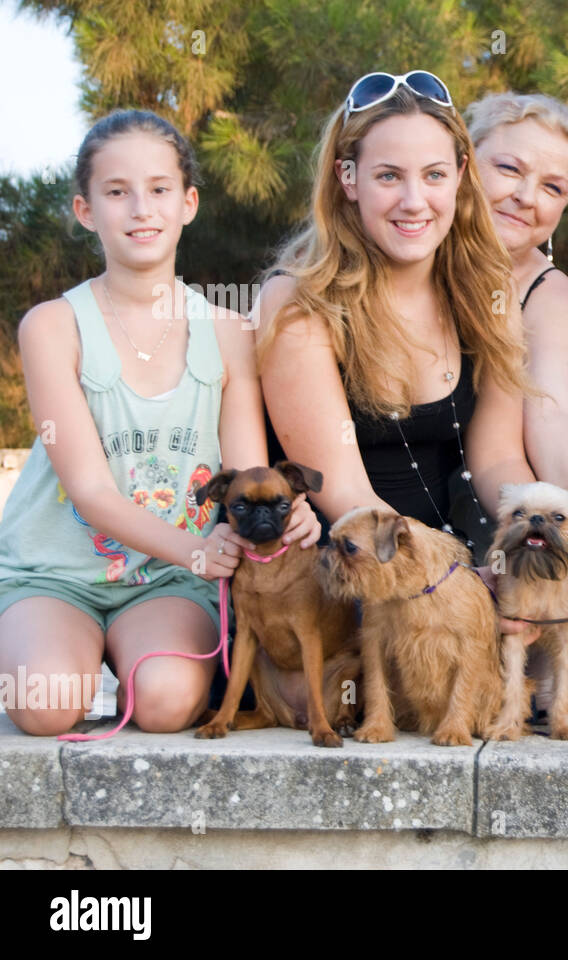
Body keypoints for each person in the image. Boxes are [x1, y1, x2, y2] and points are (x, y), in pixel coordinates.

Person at [0, 110, 318, 736]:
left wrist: (287, 516)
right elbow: (91, 494)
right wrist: (200, 551)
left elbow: (248, 475)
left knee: (168, 703)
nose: (140, 208)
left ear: (188, 203)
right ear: (86, 210)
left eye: (159, 189)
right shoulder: (52, 326)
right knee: (45, 703)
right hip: (58, 570)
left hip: (169, 579)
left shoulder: (229, 330)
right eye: (117, 192)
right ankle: (55, 640)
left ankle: (137, 664)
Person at [255, 71, 535, 544]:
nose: (413, 202)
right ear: (348, 178)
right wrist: (452, 580)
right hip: (343, 565)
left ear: (461, 175)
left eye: (434, 175)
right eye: (388, 176)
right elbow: (345, 494)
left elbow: (498, 460)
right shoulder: (298, 302)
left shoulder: (488, 292)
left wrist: (552, 531)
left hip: (448, 556)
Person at [465, 91, 568, 492]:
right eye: (509, 168)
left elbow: (553, 412)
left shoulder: (548, 294)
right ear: (463, 162)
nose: (525, 197)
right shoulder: (405, 251)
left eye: (553, 188)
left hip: (493, 495)